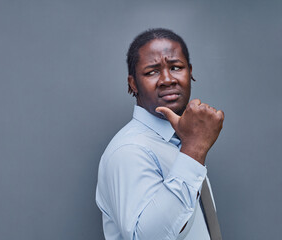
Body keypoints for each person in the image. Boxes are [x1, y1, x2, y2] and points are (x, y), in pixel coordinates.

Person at [95, 28, 224, 240]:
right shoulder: (129, 151)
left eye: (175, 67)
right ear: (133, 84)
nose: (167, 79)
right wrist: (193, 150)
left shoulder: (182, 141)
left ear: (190, 72)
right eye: (152, 71)